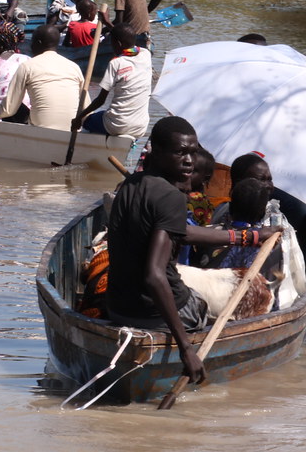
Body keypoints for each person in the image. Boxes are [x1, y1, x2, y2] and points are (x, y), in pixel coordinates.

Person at [104, 116, 282, 384]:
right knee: (200, 302)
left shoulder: (129, 185)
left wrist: (248, 236)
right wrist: (186, 348)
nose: (188, 160)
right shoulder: (170, 197)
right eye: (179, 152)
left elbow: (181, 232)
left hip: (117, 309)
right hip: (152, 315)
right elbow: (155, 276)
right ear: (155, 150)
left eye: (193, 152)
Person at [0, 24, 83, 130]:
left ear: (38, 43)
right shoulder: (74, 67)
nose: (30, 46)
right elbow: (85, 106)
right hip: (72, 129)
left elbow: (8, 109)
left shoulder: (27, 66)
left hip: (41, 130)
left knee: (18, 108)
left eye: (32, 42)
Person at [73, 24, 152, 139]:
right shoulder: (146, 54)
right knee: (103, 114)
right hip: (140, 126)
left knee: (87, 120)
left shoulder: (116, 63)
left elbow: (100, 100)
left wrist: (80, 117)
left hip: (117, 125)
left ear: (118, 44)